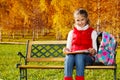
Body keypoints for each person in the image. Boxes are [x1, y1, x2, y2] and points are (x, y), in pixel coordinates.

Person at [63, 8, 98, 80]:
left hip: (87, 58)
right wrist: (66, 50)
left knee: (79, 56)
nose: (80, 22)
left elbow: (95, 51)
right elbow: (68, 48)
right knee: (69, 57)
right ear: (75, 21)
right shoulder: (71, 32)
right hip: (73, 58)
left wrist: (93, 50)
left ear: (86, 19)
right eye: (78, 20)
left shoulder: (92, 32)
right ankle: (67, 78)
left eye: (82, 19)